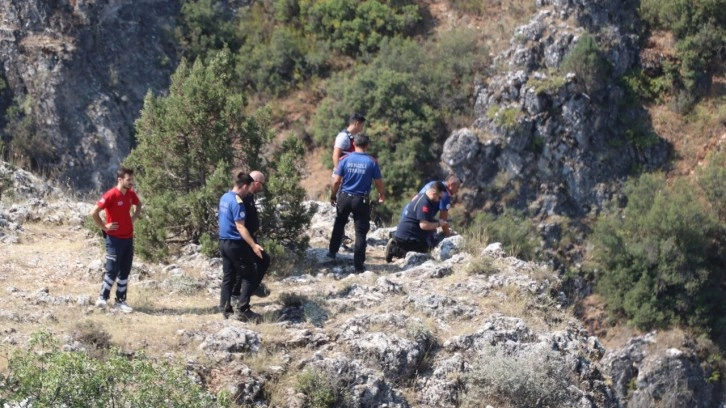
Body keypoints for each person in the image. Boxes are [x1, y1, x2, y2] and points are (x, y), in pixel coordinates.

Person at [327, 134, 385, 273]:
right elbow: (378, 182)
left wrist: (333, 195)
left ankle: (332, 252)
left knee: (339, 223)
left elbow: (336, 181)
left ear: (354, 144)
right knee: (360, 232)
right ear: (367, 145)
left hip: (345, 197)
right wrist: (381, 194)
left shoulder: (345, 159)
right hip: (361, 200)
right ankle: (358, 265)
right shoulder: (372, 162)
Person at [91, 166, 143, 313]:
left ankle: (120, 301)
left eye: (132, 179)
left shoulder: (131, 194)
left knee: (125, 271)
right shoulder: (111, 195)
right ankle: (102, 298)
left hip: (128, 238)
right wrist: (104, 226)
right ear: (120, 180)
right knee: (112, 270)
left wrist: (133, 218)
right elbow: (93, 212)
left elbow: (138, 205)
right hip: (114, 239)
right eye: (128, 180)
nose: (131, 182)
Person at [218, 173, 265, 322]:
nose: (248, 191)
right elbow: (240, 227)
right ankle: (243, 310)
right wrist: (253, 245)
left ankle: (225, 309)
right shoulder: (237, 202)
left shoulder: (225, 197)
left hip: (223, 241)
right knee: (249, 275)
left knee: (228, 276)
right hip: (235, 244)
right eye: (248, 188)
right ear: (244, 186)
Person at [231, 170, 271, 307]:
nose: (262, 187)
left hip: (251, 237)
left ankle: (251, 288)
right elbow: (239, 221)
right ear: (257, 183)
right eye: (262, 184)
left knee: (263, 260)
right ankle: (237, 294)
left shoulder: (250, 196)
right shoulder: (243, 197)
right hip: (244, 238)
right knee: (243, 267)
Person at [385, 182, 448, 263]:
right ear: (434, 193)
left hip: (407, 234)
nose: (440, 200)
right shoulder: (425, 204)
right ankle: (393, 249)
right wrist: (438, 224)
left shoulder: (421, 196)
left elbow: (425, 218)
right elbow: (424, 225)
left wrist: (437, 222)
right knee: (421, 256)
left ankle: (397, 245)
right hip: (408, 237)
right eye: (440, 197)